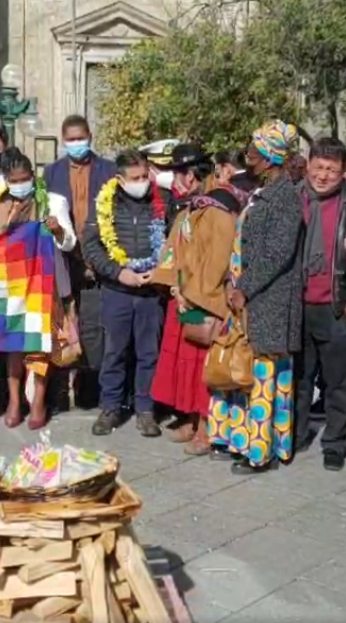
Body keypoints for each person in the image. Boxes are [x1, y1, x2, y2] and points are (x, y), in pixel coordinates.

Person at [208, 120, 303, 474]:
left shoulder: (286, 198)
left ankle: (261, 451)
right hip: (248, 297)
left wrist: (245, 287)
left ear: (269, 157)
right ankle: (239, 439)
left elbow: (278, 253)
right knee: (243, 371)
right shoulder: (265, 192)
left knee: (265, 377)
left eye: (253, 150)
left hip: (269, 301)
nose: (248, 155)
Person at [151, 144, 243, 456]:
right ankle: (191, 419)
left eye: (179, 173)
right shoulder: (192, 206)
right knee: (186, 362)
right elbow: (175, 250)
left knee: (204, 366)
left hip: (204, 300)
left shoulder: (219, 209)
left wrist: (192, 295)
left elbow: (217, 260)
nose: (176, 180)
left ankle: (206, 428)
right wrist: (174, 286)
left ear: (191, 175)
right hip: (184, 296)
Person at [295, 138, 346, 471]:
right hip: (297, 305)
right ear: (308, 164)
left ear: (344, 173)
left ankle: (335, 442)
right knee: (299, 377)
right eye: (319, 167)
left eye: (332, 170)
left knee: (339, 380)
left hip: (337, 304)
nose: (324, 175)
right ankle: (295, 434)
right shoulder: (293, 199)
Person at [0, 148, 76, 429]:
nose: (20, 184)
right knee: (13, 345)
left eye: (25, 178)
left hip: (44, 285)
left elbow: (69, 243)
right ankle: (14, 400)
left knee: (40, 344)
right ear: (6, 180)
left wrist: (58, 230)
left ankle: (38, 400)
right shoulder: (0, 205)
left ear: (33, 177)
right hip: (11, 286)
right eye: (14, 180)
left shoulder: (52, 201)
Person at [83, 149, 166, 437]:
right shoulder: (104, 204)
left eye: (145, 176)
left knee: (148, 353)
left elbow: (174, 244)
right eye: (134, 178)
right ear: (119, 179)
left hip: (151, 292)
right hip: (117, 289)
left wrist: (161, 272)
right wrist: (120, 273)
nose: (141, 182)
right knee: (114, 351)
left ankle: (145, 409)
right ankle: (110, 407)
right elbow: (91, 246)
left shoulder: (161, 201)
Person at [43, 115, 116, 411]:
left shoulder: (109, 170)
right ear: (63, 141)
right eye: (70, 139)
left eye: (80, 137)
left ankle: (90, 391)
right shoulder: (51, 173)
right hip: (64, 258)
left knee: (94, 326)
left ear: (90, 136)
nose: (76, 143)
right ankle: (59, 391)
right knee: (63, 324)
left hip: (99, 258)